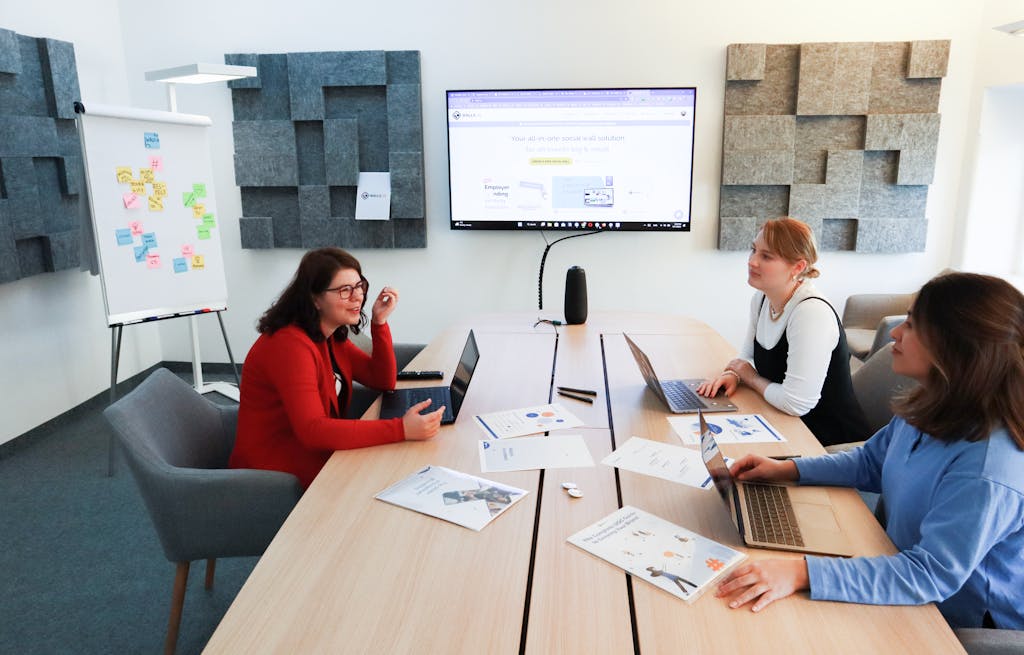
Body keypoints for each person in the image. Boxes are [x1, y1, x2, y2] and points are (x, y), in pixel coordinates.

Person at [714, 272, 1024, 630]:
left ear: (957, 347)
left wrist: (802, 572)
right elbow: (871, 462)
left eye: (911, 325)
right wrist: (788, 470)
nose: (894, 333)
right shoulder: (935, 403)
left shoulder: (987, 466)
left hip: (951, 621)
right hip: (893, 563)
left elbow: (929, 576)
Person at [230, 247, 445, 488]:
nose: (358, 297)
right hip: (276, 476)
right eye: (345, 290)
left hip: (319, 457)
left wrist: (379, 322)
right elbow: (313, 430)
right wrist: (401, 429)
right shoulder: (289, 345)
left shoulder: (329, 334)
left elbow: (382, 380)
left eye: (359, 286)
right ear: (315, 298)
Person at [697, 217, 869, 447]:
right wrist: (734, 374)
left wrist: (750, 377)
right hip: (784, 422)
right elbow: (747, 357)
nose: (752, 261)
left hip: (828, 442)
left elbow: (796, 403)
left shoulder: (810, 313)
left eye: (766, 256)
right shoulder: (762, 299)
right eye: (753, 250)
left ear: (797, 267)